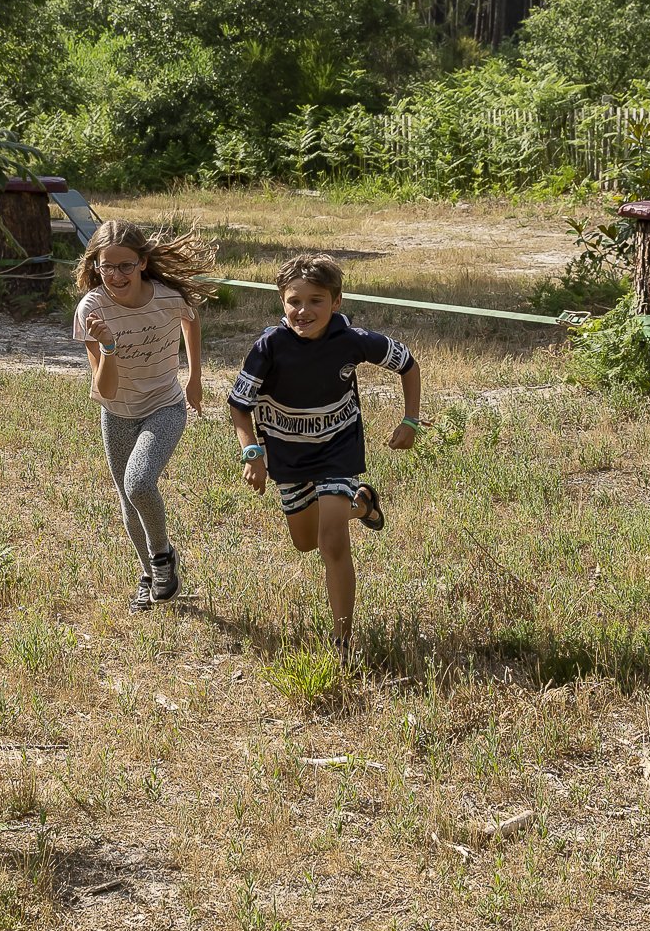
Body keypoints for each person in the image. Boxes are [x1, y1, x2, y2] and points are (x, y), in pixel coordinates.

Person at [228, 254, 422, 647]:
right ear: (281, 301)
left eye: (316, 300)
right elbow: (238, 404)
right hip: (287, 455)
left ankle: (343, 641)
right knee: (306, 542)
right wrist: (252, 453)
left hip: (338, 447)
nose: (304, 310)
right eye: (294, 301)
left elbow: (408, 364)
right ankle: (364, 504)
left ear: (336, 302)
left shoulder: (354, 340)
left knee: (332, 540)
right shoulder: (269, 346)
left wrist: (410, 420)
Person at [72, 219, 208, 609]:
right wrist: (109, 347)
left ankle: (162, 557)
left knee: (139, 483)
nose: (115, 275)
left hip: (164, 405)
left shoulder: (167, 297)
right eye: (106, 266)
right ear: (95, 265)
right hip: (117, 412)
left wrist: (194, 376)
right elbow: (106, 390)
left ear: (143, 263)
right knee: (127, 501)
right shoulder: (92, 310)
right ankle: (148, 574)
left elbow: (191, 317)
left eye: (125, 266)